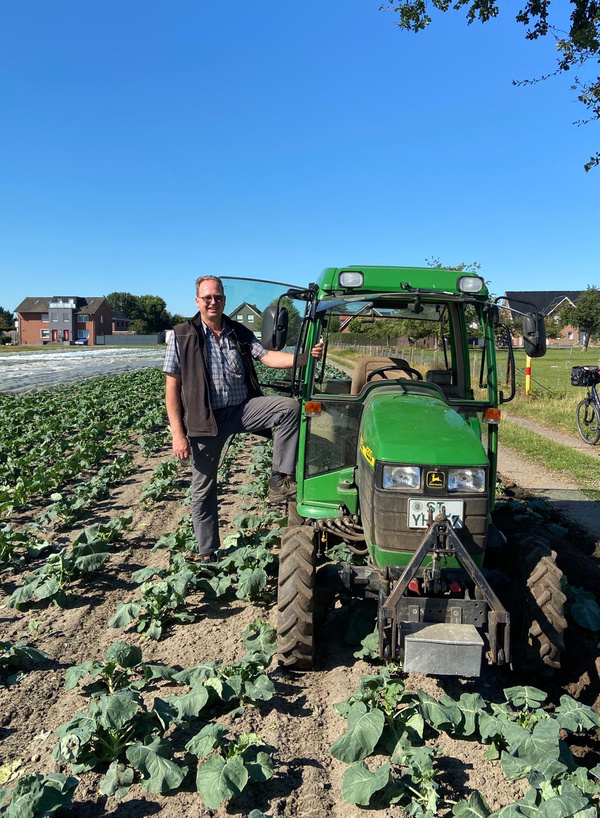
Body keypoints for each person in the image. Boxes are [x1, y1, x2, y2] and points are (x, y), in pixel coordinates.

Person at [164, 275, 323, 562]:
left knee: (288, 407)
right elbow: (172, 388)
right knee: (203, 489)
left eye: (218, 297)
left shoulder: (237, 331)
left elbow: (268, 357)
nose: (213, 302)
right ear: (197, 301)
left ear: (224, 300)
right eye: (207, 297)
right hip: (205, 420)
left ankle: (280, 478)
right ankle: (208, 552)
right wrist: (178, 434)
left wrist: (304, 358)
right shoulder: (182, 335)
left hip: (241, 410)